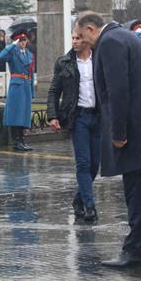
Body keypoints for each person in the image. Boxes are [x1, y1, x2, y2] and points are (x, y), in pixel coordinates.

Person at [75, 11, 141, 268]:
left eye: (81, 36)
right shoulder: (127, 36)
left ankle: (136, 250)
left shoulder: (110, 42)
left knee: (137, 192)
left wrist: (118, 133)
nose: (80, 41)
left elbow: (118, 90)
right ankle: (139, 247)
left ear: (91, 29)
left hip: (135, 129)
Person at [47, 30, 100, 222]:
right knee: (84, 163)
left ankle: (79, 199)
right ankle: (89, 205)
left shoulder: (99, 60)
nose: (75, 42)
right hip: (78, 118)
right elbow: (54, 91)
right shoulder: (64, 62)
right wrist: (52, 116)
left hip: (98, 117)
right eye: (73, 39)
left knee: (95, 165)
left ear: (87, 40)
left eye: (78, 38)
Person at [0, 28, 34, 152]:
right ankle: (16, 141)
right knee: (16, 114)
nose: (23, 42)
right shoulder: (13, 52)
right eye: (20, 40)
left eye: (24, 40)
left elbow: (31, 73)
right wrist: (11, 45)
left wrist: (32, 90)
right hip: (17, 85)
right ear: (16, 41)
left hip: (26, 85)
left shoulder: (29, 54)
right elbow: (1, 56)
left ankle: (22, 140)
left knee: (24, 114)